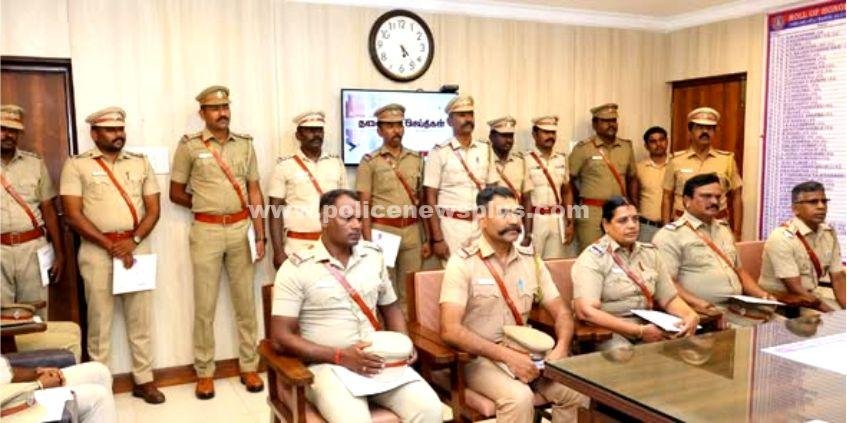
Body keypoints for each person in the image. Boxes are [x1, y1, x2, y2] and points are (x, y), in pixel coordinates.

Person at [270, 189, 442, 423]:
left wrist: (403, 343)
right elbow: (280, 337)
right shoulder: (297, 268)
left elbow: (391, 308)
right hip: (328, 366)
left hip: (379, 361)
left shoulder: (373, 256)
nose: (357, 225)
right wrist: (340, 356)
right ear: (324, 219)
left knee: (430, 409)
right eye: (347, 218)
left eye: (360, 218)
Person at [440, 186, 586, 423]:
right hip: (479, 358)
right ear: (481, 217)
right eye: (503, 213)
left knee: (577, 389)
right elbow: (450, 329)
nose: (514, 221)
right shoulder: (462, 263)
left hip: (528, 353)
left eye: (517, 213)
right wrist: (508, 357)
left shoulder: (531, 261)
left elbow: (562, 312)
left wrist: (560, 349)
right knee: (519, 398)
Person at [60, 107, 164, 403]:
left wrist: (133, 240)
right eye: (110, 130)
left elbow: (154, 209)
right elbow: (72, 214)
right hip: (97, 252)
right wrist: (111, 245)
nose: (118, 134)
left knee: (140, 320)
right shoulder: (77, 165)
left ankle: (144, 380)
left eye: (120, 129)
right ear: (94, 134)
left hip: (136, 248)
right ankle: (100, 388)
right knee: (99, 323)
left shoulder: (140, 162)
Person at [169, 86, 265, 398]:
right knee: (204, 306)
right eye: (214, 108)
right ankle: (204, 372)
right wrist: (205, 206)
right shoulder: (189, 146)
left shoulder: (246, 145)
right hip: (206, 232)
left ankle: (249, 366)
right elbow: (175, 192)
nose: (222, 113)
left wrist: (260, 234)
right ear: (202, 113)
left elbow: (254, 191)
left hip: (241, 229)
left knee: (245, 304)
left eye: (225, 107)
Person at [572, 196, 699, 349]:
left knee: (688, 351)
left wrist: (689, 314)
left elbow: (669, 298)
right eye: (623, 221)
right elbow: (586, 311)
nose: (632, 225)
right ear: (606, 224)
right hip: (611, 330)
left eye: (635, 219)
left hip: (651, 325)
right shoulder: (593, 258)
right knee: (626, 355)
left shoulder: (650, 253)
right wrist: (638, 331)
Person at [652, 173, 774, 327]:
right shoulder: (670, 235)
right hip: (704, 313)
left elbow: (739, 271)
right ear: (687, 201)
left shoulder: (723, 229)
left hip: (738, 308)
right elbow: (667, 284)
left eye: (718, 197)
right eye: (706, 196)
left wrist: (763, 295)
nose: (714, 201)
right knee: (762, 335)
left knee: (785, 326)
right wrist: (702, 305)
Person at [356, 104, 427, 314]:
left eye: (399, 125)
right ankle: (386, 332)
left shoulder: (416, 159)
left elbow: (422, 202)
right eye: (389, 126)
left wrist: (425, 238)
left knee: (410, 291)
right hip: (383, 232)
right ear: (379, 131)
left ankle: (408, 332)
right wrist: (367, 242)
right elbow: (364, 205)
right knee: (384, 291)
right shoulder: (370, 162)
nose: (396, 130)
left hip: (412, 232)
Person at [1, 104, 65, 318]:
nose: (8, 135)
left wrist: (59, 253)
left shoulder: (35, 164)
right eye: (2, 129)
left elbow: (48, 209)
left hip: (32, 249)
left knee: (35, 314)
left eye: (13, 130)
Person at [423, 95, 498, 263]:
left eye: (470, 114)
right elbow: (430, 198)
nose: (468, 119)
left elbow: (493, 191)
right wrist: (437, 238)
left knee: (484, 272)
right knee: (454, 274)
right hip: (452, 226)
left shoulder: (485, 149)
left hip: (481, 225)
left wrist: (493, 226)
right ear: (449, 121)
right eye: (462, 115)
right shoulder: (439, 152)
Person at [268, 111, 347, 268]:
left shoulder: (336, 163)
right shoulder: (284, 166)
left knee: (331, 284)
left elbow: (345, 205)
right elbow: (275, 210)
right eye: (310, 130)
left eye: (319, 130)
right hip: (297, 247)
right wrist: (278, 251)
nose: (316, 135)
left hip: (332, 245)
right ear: (298, 135)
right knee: (299, 285)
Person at [759, 181, 845, 311]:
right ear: (795, 209)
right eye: (813, 202)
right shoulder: (782, 238)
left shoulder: (828, 234)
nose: (821, 206)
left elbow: (838, 278)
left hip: (812, 297)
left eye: (824, 201)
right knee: (832, 321)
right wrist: (834, 316)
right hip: (783, 304)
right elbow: (796, 289)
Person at [661, 107, 742, 238]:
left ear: (714, 131)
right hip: (684, 226)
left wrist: (737, 233)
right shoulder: (676, 160)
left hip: (717, 226)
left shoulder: (727, 160)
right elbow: (667, 196)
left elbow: (737, 196)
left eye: (710, 128)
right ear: (690, 130)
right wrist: (667, 230)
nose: (705, 132)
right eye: (699, 127)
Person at [569, 103, 637, 251]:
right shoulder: (583, 148)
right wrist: (575, 209)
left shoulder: (626, 147)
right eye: (606, 121)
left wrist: (633, 206)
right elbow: (568, 181)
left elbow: (632, 178)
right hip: (590, 212)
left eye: (614, 120)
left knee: (619, 253)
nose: (611, 124)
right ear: (595, 124)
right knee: (590, 253)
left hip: (619, 211)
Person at [522, 115, 574, 259]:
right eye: (545, 132)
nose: (550, 136)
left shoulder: (562, 159)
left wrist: (570, 221)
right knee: (532, 262)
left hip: (557, 219)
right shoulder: (525, 159)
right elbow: (523, 197)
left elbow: (567, 191)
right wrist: (526, 229)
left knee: (554, 263)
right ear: (534, 134)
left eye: (553, 132)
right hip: (535, 219)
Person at [0, 357, 116, 422]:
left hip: (13, 389)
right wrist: (38, 384)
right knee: (98, 397)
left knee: (99, 372)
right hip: (7, 407)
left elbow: (4, 372)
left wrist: (36, 373)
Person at [635, 126, 669, 242]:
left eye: (661, 140)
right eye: (653, 141)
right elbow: (633, 197)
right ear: (646, 146)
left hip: (673, 226)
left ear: (667, 141)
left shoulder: (676, 165)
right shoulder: (639, 168)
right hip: (647, 227)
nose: (658, 144)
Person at [488, 116, 525, 203]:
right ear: (491, 137)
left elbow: (527, 196)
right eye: (504, 135)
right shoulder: (485, 161)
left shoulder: (521, 162)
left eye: (511, 136)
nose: (508, 140)